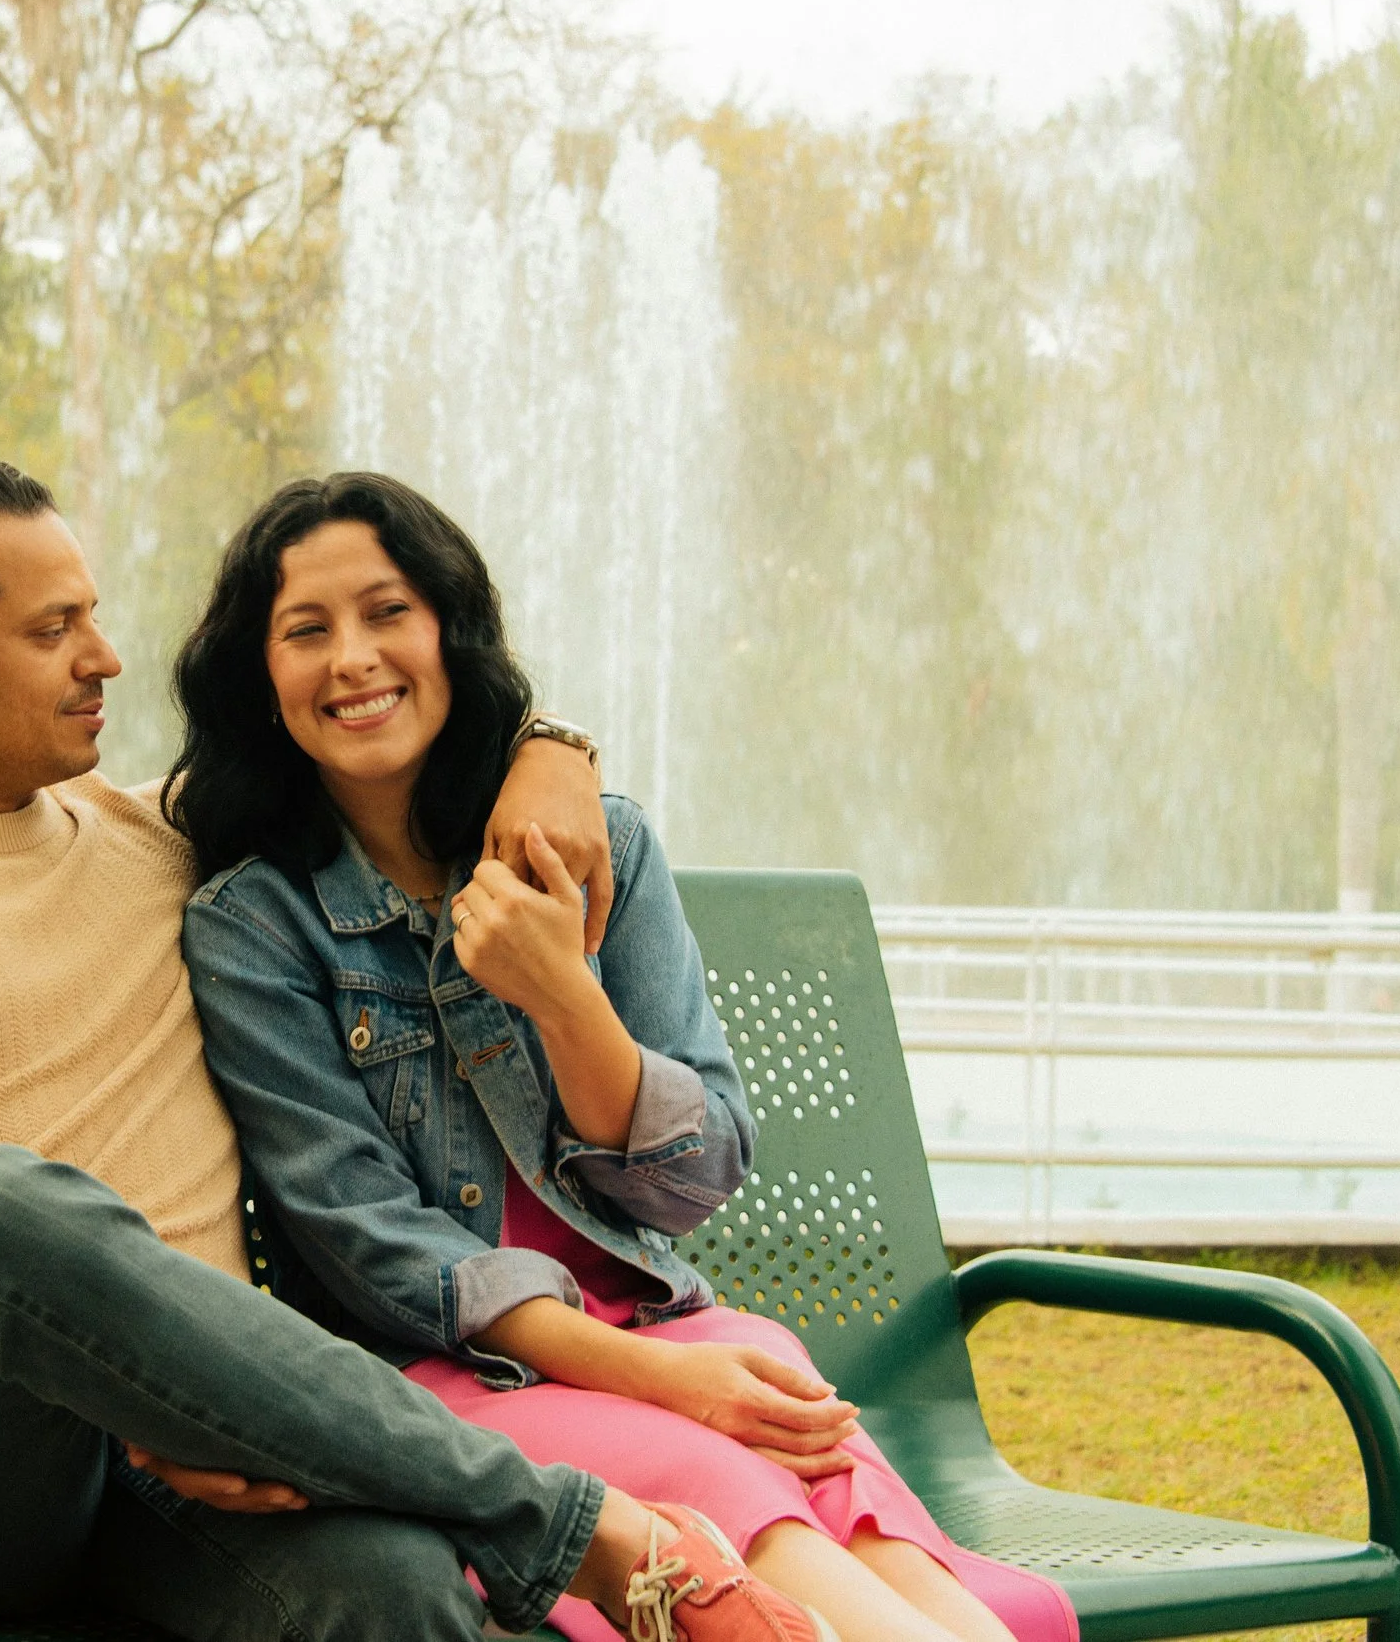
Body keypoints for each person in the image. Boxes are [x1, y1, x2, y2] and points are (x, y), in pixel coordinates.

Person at [0, 456, 825, 1642]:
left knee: (392, 1592)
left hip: (196, 1451)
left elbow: (364, 738)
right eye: (53, 628)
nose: (104, 657)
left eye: (96, 617)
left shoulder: (156, 839)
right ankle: (589, 1535)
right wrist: (148, 1400)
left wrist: (553, 747)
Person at [167, 472, 1080, 1642]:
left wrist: (560, 993)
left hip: (657, 1325)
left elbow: (690, 1181)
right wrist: (657, 1379)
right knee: (750, 1500)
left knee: (833, 1483)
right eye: (306, 630)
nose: (352, 658)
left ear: (450, 627)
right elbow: (367, 1243)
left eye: (387, 611)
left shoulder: (609, 842)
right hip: (432, 1376)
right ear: (262, 673)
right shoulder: (253, 922)